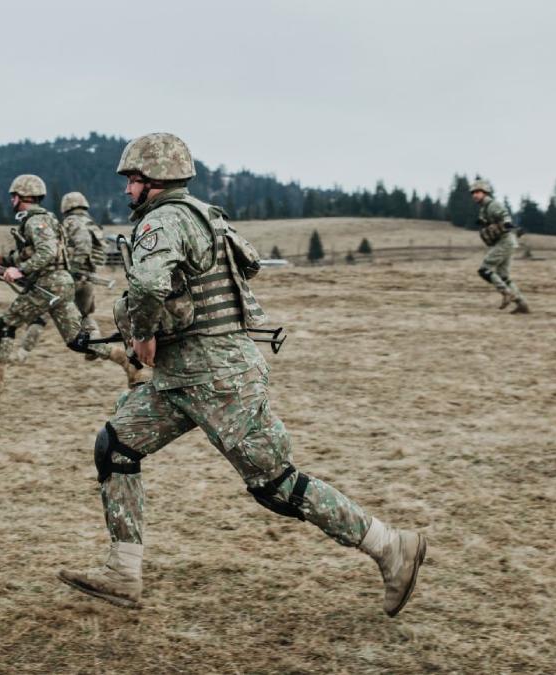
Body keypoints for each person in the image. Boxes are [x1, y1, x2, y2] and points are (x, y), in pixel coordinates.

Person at [57, 133, 426, 616]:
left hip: (217, 378)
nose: (127, 189)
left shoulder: (164, 220)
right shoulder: (204, 216)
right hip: (183, 376)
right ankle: (124, 571)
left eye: (132, 179)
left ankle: (390, 545)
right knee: (117, 445)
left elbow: (148, 284)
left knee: (276, 486)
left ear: (156, 180)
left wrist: (143, 332)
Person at [0, 174, 143, 396]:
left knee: (6, 323)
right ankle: (126, 362)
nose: (11, 201)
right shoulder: (44, 220)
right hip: (60, 284)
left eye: (13, 196)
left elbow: (47, 252)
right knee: (77, 341)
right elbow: (36, 253)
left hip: (50, 285)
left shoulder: (35, 221)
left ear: (23, 196)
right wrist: (3, 262)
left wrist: (20, 270)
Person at [15, 191, 108, 361]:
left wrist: (70, 270)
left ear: (66, 207)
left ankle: (22, 353)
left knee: (40, 313)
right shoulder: (92, 224)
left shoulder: (72, 222)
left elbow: (82, 246)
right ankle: (97, 346)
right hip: (89, 278)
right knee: (85, 315)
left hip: (73, 277)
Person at [472, 179, 530, 314]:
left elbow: (505, 217)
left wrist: (507, 225)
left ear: (485, 193)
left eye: (478, 192)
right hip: (506, 241)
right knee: (503, 276)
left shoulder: (493, 205)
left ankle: (506, 293)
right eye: (473, 192)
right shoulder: (484, 208)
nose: (475, 194)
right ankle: (522, 304)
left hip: (505, 241)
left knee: (485, 270)